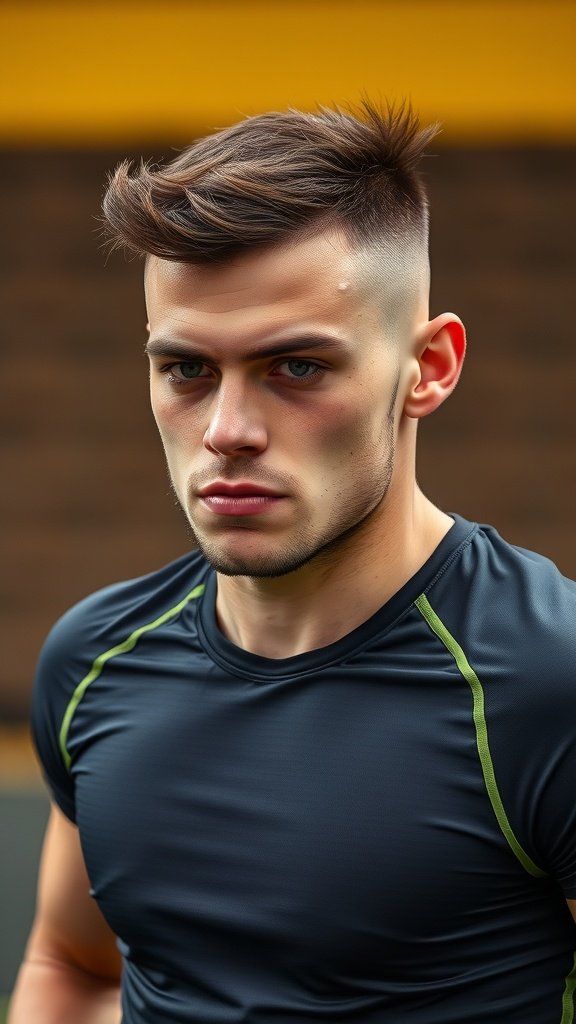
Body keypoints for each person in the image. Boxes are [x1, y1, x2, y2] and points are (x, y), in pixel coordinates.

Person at [9, 101, 576, 1024]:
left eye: (297, 367)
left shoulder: (550, 681)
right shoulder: (94, 659)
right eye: (187, 370)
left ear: (429, 367)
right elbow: (75, 965)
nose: (227, 431)